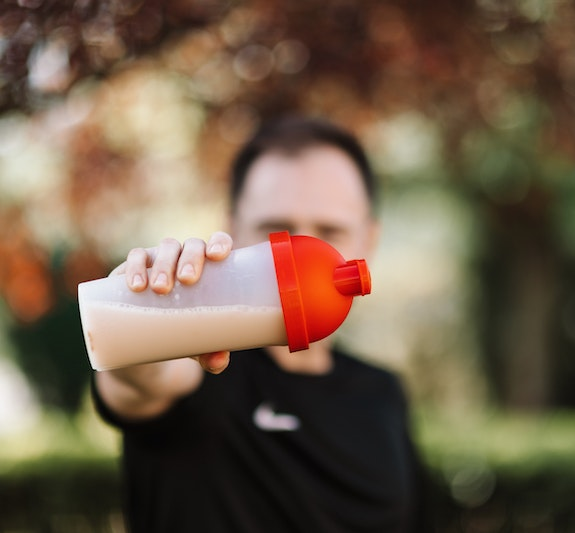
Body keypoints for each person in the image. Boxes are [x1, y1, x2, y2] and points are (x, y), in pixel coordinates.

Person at [93, 116, 434, 532]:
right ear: (232, 229)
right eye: (277, 228)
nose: (301, 251)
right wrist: (139, 304)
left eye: (330, 230)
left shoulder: (381, 393)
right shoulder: (199, 366)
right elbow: (144, 378)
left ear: (368, 243)